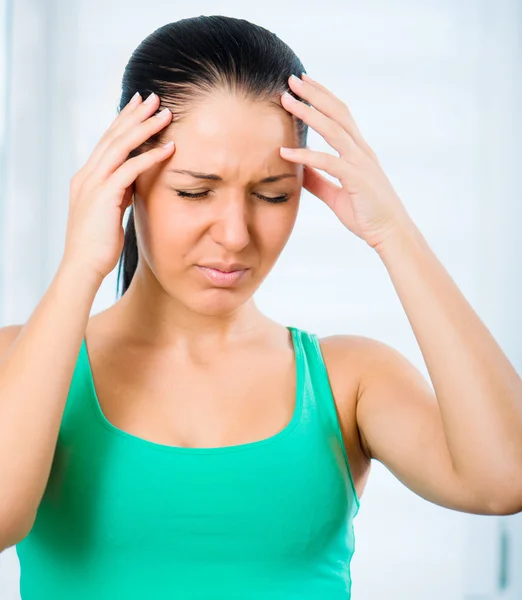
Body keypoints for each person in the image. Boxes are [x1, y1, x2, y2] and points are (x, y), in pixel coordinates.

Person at [1, 14, 521, 600]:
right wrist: (80, 265)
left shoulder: (350, 380)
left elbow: (505, 479)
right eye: (195, 191)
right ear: (126, 179)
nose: (235, 234)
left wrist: (395, 232)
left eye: (272, 194)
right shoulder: (23, 361)